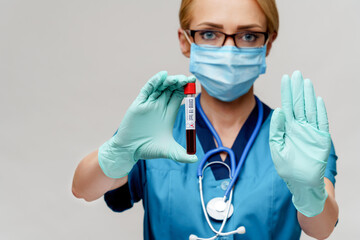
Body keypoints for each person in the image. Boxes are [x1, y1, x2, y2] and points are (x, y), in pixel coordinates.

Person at [72, 0, 339, 239]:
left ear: (267, 44)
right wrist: (119, 152)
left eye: (248, 35)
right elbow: (83, 189)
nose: (229, 50)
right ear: (185, 41)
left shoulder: (298, 139)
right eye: (210, 34)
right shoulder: (156, 130)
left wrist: (310, 192)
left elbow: (322, 228)